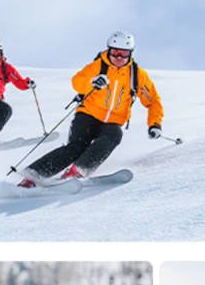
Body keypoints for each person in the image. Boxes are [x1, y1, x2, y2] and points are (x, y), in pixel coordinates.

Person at [17, 31, 164, 188]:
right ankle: (33, 176)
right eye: (115, 52)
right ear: (109, 50)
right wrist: (92, 83)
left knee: (114, 135)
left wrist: (155, 124)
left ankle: (78, 171)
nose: (118, 57)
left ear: (130, 54)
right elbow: (77, 82)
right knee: (76, 148)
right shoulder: (98, 66)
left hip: (113, 122)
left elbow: (153, 101)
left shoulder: (137, 75)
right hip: (87, 115)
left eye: (123, 53)